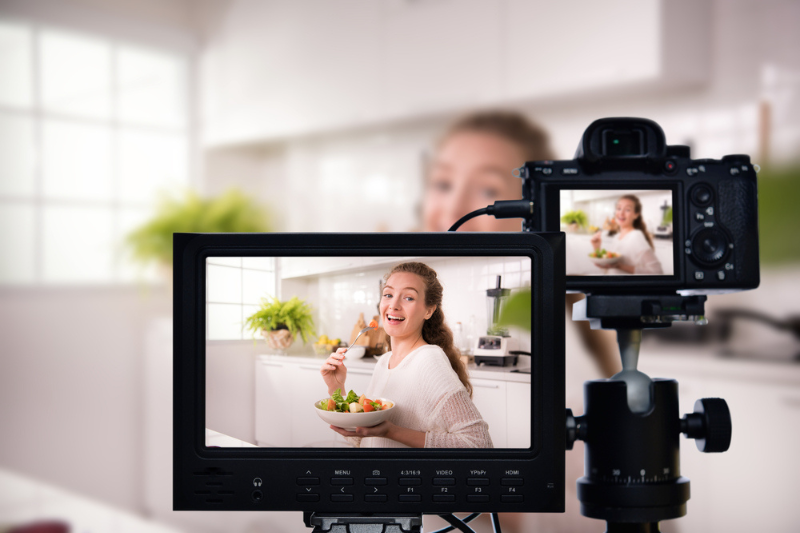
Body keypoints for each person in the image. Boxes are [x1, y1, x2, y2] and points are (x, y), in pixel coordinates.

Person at [320, 261, 493, 448]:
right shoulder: (385, 361)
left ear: (429, 310)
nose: (393, 305)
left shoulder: (428, 360)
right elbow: (365, 438)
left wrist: (391, 431)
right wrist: (337, 390)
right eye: (388, 294)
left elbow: (479, 443)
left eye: (408, 298)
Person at [590, 194, 664, 275]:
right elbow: (609, 269)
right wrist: (596, 248)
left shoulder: (636, 236)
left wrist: (620, 266)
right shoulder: (617, 237)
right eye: (619, 208)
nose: (621, 213)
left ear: (636, 215)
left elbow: (657, 272)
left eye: (627, 209)